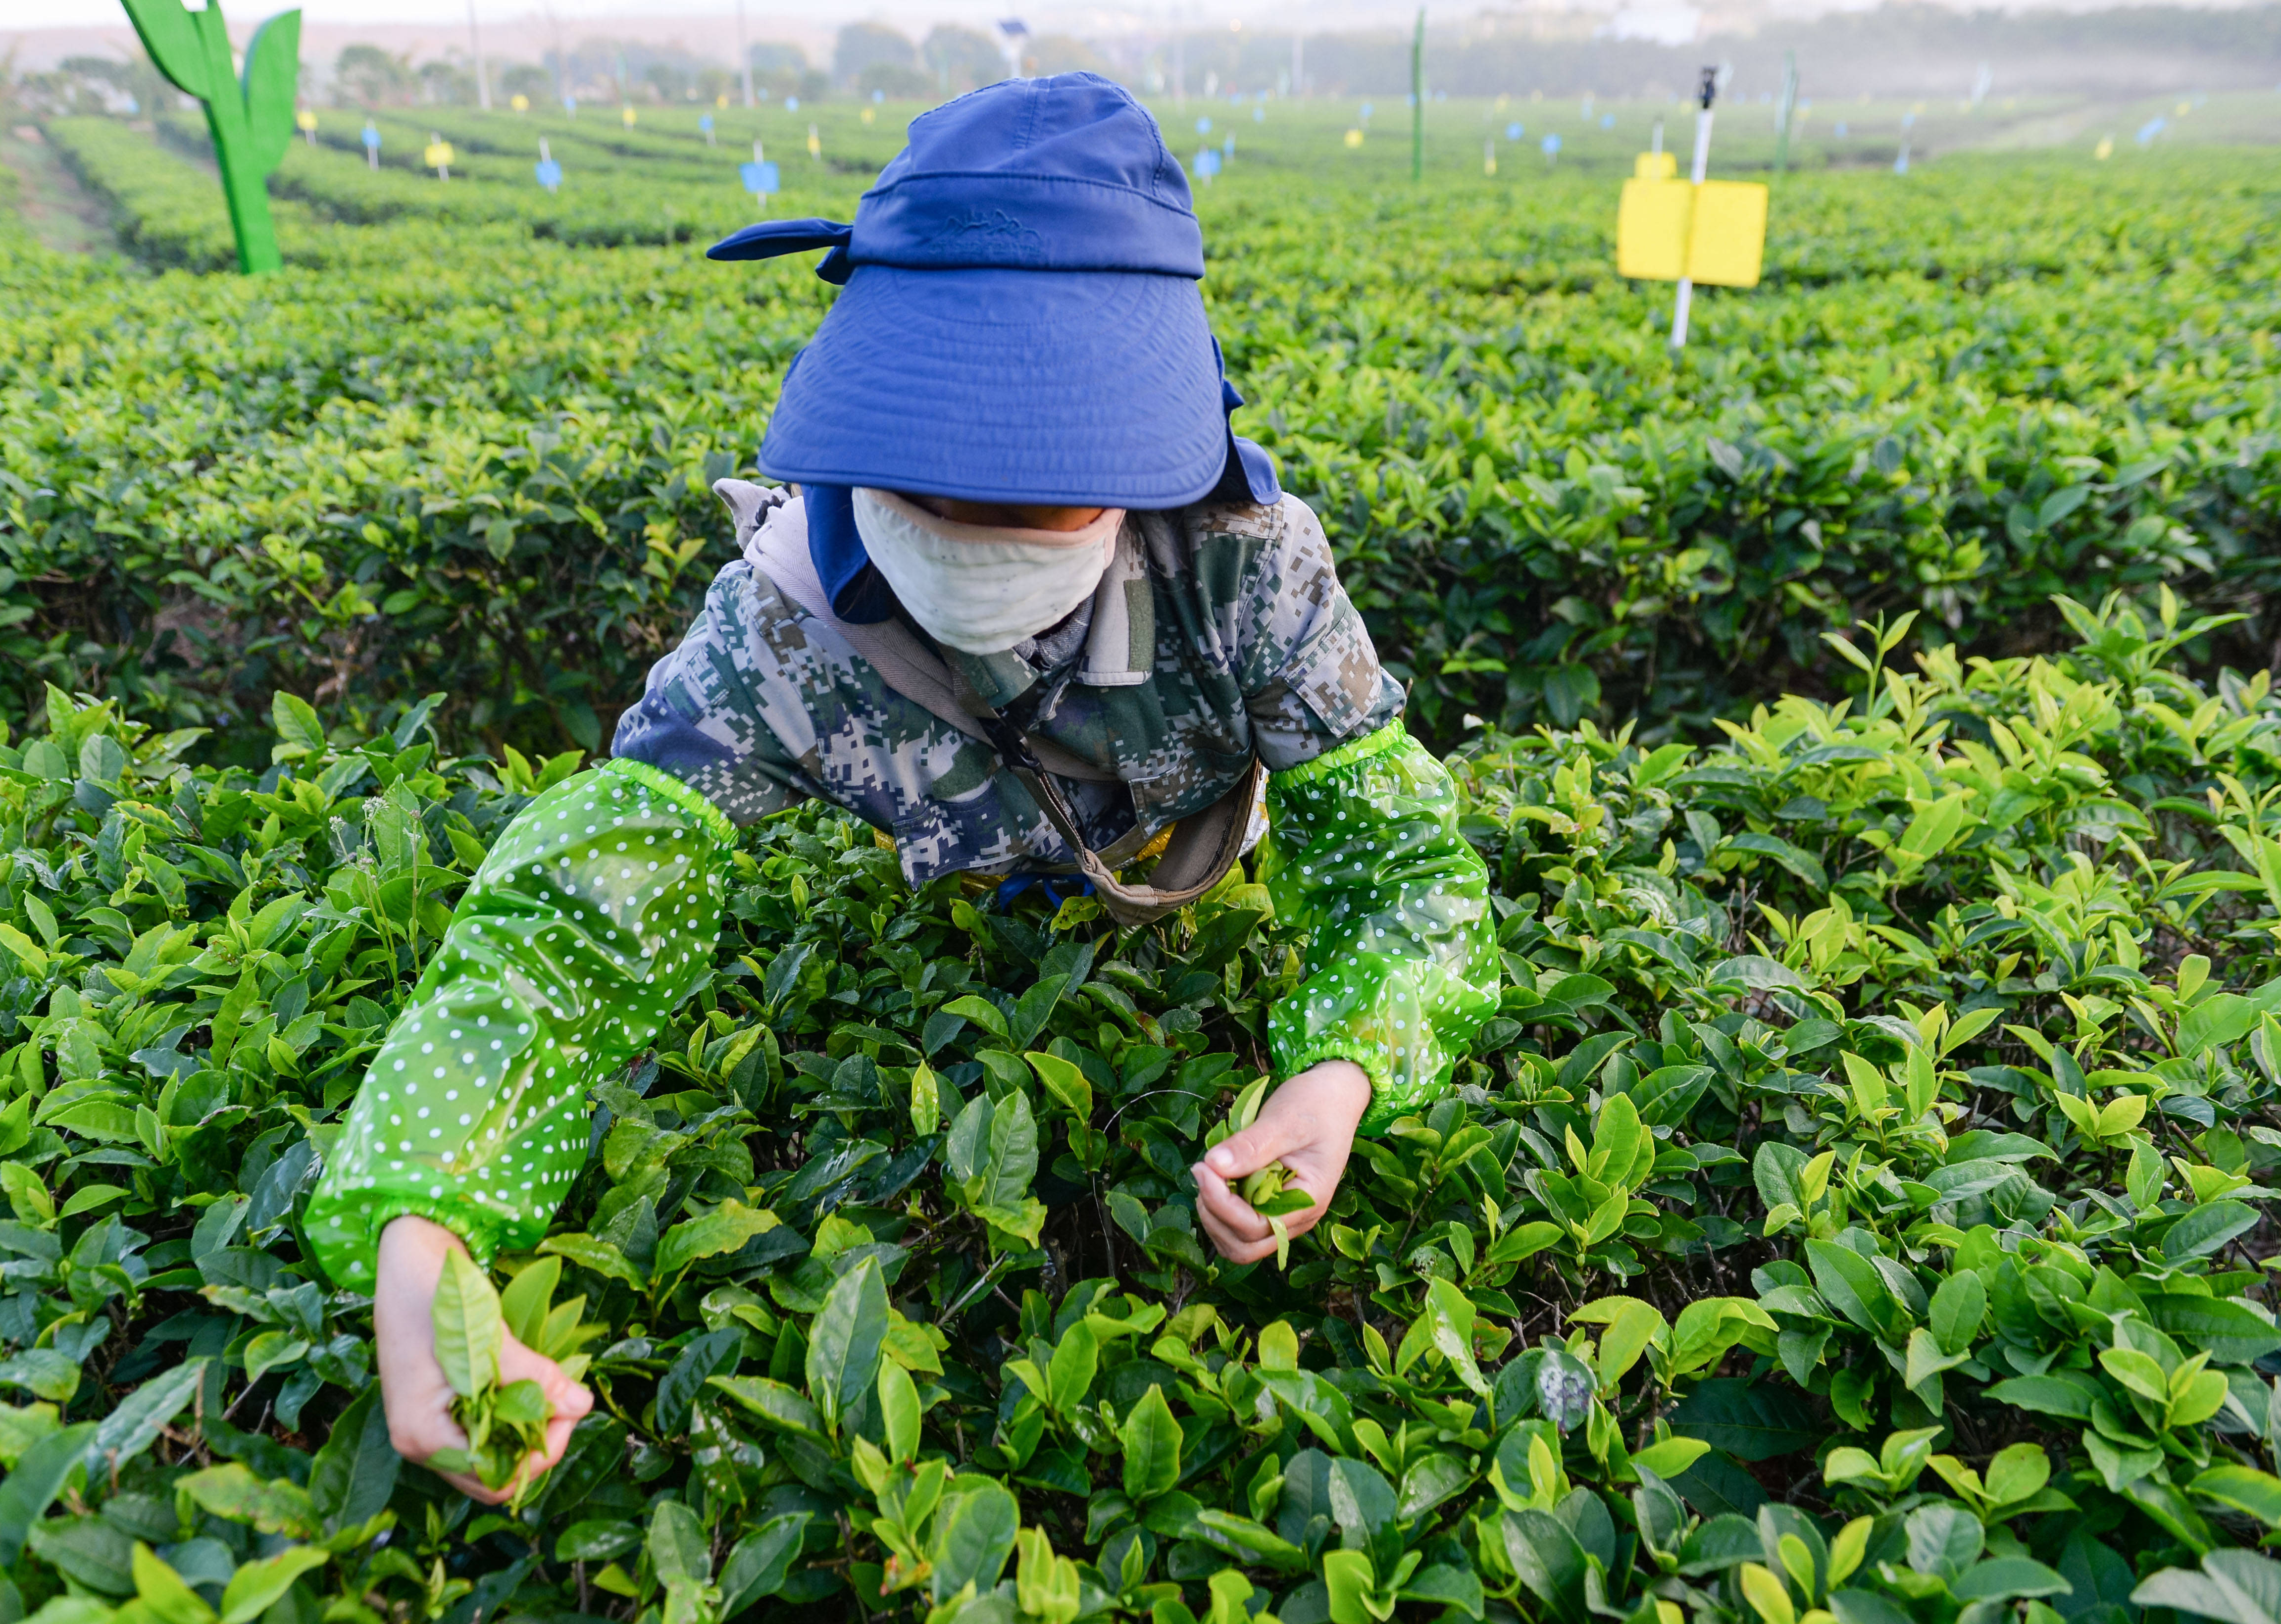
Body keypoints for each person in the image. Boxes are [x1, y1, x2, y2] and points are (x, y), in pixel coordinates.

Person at [300, 73, 1500, 1502]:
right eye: (935, 475)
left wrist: (1344, 1069)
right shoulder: (783, 626)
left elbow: (1404, 870)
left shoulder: (1244, 564)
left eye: (1047, 485)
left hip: (1186, 868)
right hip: (971, 903)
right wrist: (422, 1243)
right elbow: (564, 939)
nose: (983, 533)